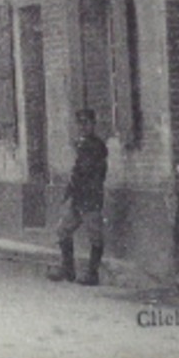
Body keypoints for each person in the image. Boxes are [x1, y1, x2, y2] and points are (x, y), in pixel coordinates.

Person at [49, 108, 108, 285]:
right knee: (63, 231)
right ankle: (68, 268)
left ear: (93, 124)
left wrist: (79, 185)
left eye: (86, 123)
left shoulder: (97, 146)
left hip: (91, 198)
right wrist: (70, 192)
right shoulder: (82, 145)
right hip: (79, 198)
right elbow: (77, 172)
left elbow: (89, 172)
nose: (83, 127)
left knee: (95, 236)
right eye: (80, 123)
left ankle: (92, 273)